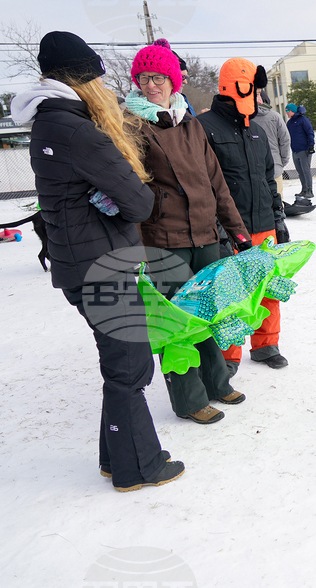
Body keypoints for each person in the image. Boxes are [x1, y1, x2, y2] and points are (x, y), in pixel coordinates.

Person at [10, 30, 183, 491]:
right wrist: (126, 193)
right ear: (83, 79)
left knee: (120, 365)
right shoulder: (76, 129)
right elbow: (140, 203)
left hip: (79, 264)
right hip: (103, 266)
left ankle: (115, 456)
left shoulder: (48, 123)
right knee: (129, 368)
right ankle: (138, 468)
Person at [125, 38, 253, 424]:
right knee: (177, 323)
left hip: (205, 236)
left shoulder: (191, 124)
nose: (152, 85)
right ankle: (189, 399)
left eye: (160, 77)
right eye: (145, 77)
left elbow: (217, 184)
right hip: (163, 242)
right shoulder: (132, 126)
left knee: (208, 313)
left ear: (173, 81)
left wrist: (238, 232)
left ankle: (216, 382)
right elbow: (128, 187)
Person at [200, 57, 290, 372]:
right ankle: (228, 353)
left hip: (263, 224)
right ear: (238, 86)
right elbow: (203, 186)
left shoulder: (257, 131)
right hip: (228, 228)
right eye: (253, 88)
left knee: (268, 290)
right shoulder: (204, 128)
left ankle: (267, 345)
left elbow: (269, 181)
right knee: (229, 294)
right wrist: (215, 229)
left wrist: (278, 220)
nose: (257, 96)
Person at [284, 103, 315, 199]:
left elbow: (310, 132)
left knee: (306, 170)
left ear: (292, 111)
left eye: (288, 111)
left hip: (304, 149)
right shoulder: (289, 123)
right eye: (286, 111)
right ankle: (304, 189)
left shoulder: (303, 120)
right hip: (295, 150)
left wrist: (311, 145)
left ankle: (309, 190)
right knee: (300, 170)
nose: (287, 113)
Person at [171, 51, 196, 116]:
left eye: (186, 77)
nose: (185, 81)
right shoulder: (163, 103)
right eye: (182, 77)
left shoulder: (181, 99)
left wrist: (199, 121)